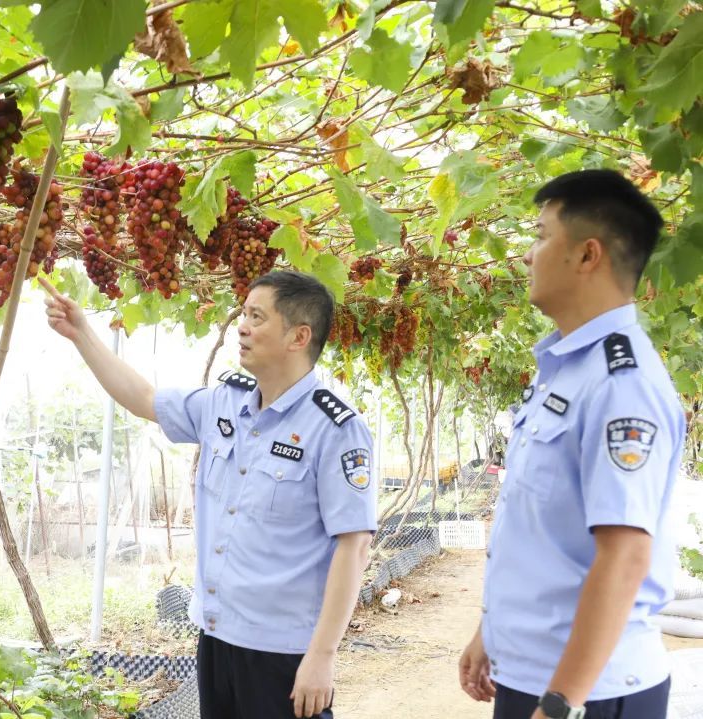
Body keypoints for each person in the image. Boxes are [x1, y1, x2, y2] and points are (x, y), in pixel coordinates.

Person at [42, 270, 376, 719]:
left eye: (257, 317)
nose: (242, 326)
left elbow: (353, 548)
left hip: (283, 651)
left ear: (299, 336)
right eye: (244, 313)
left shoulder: (335, 429)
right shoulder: (223, 403)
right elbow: (144, 398)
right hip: (216, 639)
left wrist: (322, 656)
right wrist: (82, 333)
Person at [458, 170, 683, 719]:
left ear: (587, 255)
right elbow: (543, 530)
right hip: (537, 674)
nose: (527, 256)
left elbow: (625, 555)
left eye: (539, 236)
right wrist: (491, 629)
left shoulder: (620, 385)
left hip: (591, 692)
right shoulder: (564, 369)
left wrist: (561, 705)